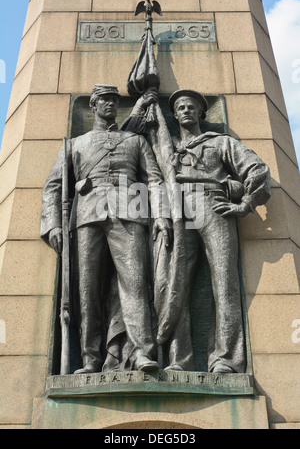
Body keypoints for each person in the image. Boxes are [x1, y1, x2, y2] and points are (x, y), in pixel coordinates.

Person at [41, 84, 172, 374]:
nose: (111, 104)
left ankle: (141, 353)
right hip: (87, 218)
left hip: (130, 214)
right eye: (105, 100)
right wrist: (52, 225)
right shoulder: (76, 144)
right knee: (88, 290)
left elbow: (154, 180)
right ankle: (90, 358)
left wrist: (161, 215)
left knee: (135, 285)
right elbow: (52, 187)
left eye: (114, 100)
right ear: (93, 105)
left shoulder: (135, 142)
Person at [166, 89, 271, 373]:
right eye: (180, 107)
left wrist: (247, 203)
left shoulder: (221, 142)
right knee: (176, 284)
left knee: (224, 282)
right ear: (174, 114)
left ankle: (225, 358)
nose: (186, 110)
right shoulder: (167, 147)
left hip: (214, 205)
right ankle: (179, 359)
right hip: (177, 210)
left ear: (201, 113)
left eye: (191, 106)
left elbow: (258, 170)